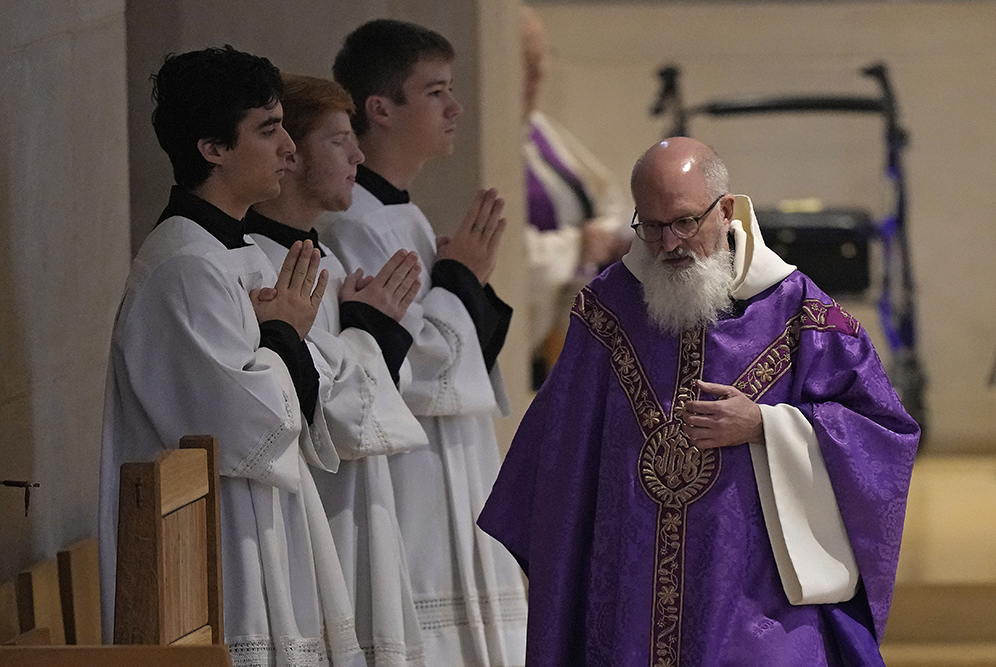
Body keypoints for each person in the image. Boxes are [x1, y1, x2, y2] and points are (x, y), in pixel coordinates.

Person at [479, 137, 920, 666]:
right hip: (632, 601)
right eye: (653, 225)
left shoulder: (802, 314)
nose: (670, 243)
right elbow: (556, 459)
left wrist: (766, 425)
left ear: (726, 209)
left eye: (686, 222)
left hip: (755, 603)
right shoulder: (607, 311)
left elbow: (883, 432)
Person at [99, 46, 367, 666]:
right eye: (268, 131)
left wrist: (289, 338)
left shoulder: (232, 251)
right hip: (216, 553)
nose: (289, 152)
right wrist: (285, 338)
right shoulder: (186, 267)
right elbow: (247, 426)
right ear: (212, 148)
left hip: (260, 525)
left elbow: (311, 392)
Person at [320, 19, 528, 666]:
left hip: (450, 464)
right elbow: (413, 367)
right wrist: (461, 276)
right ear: (379, 109)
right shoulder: (348, 223)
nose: (455, 108)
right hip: (408, 479)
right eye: (435, 91)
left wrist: (465, 278)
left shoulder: (401, 214)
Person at [247, 73, 429, 666]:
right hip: (313, 512)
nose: (358, 155)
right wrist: (370, 331)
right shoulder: (260, 266)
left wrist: (364, 326)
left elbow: (362, 395)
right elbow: (315, 407)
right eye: (339, 140)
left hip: (352, 503)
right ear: (291, 154)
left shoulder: (316, 255)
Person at [521, 7, 631, 387]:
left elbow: (605, 194)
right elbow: (505, 256)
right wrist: (577, 247)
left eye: (540, 62)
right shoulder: (484, 141)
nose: (539, 77)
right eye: (526, 64)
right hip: (534, 352)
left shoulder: (536, 128)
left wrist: (603, 234)